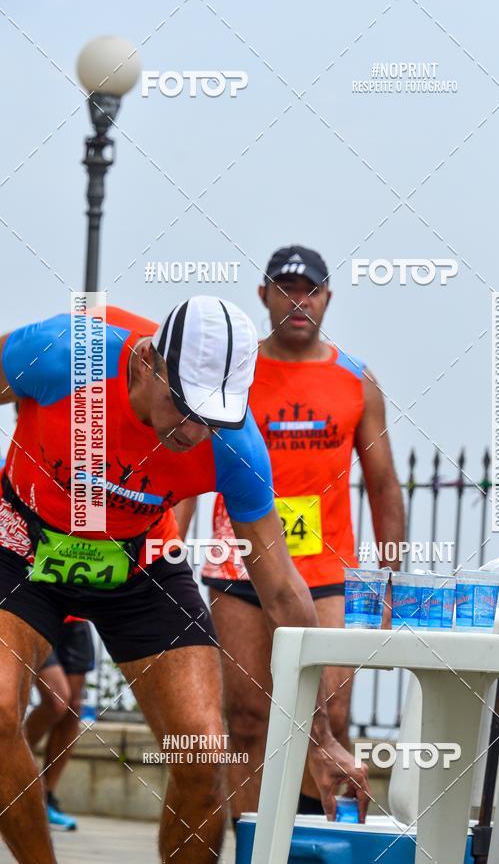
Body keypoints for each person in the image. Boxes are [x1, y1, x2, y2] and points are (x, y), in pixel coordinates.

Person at [0, 296, 369, 864]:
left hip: (140, 561)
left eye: (214, 416)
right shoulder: (63, 356)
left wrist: (320, 736)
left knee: (201, 756)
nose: (196, 430)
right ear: (149, 362)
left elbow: (281, 588)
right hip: (22, 544)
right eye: (186, 406)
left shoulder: (235, 444)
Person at [178, 246, 405, 822]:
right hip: (239, 569)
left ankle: (312, 841)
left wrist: (391, 577)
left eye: (310, 290)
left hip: (328, 577)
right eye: (285, 288)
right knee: (250, 719)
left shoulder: (356, 380)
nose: (297, 301)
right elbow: (189, 471)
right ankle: (256, 845)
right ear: (263, 294)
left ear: (328, 298)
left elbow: (383, 486)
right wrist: (169, 554)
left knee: (327, 711)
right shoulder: (237, 371)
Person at [25, 618, 95, 831]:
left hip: (77, 616)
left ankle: (45, 799)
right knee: (56, 701)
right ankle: (9, 767)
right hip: (38, 609)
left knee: (73, 708)